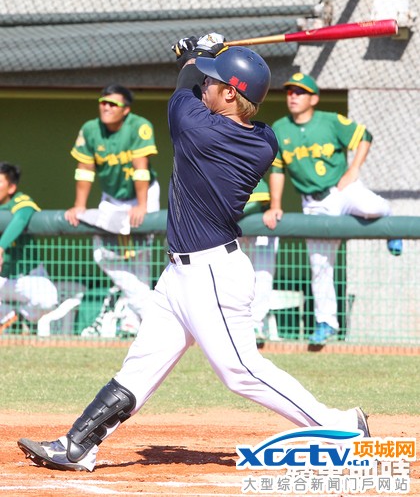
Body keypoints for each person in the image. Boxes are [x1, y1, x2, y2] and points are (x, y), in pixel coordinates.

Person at [17, 35, 370, 472]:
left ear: (231, 94)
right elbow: (199, 87)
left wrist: (195, 54)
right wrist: (207, 55)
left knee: (240, 371)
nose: (206, 86)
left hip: (212, 274)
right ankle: (77, 445)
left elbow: (184, 86)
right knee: (140, 366)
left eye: (215, 83)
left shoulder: (198, 128)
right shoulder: (264, 139)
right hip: (180, 274)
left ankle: (342, 427)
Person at [263, 72, 402, 346]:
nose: (293, 96)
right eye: (290, 91)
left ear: (313, 98)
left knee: (373, 206)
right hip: (313, 202)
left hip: (342, 189)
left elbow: (365, 136)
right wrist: (276, 205)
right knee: (320, 265)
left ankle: (392, 227)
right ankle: (326, 322)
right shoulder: (280, 128)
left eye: (300, 92)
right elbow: (277, 169)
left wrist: (354, 169)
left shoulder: (330, 120)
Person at [65, 84, 160, 337]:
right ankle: (151, 313)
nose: (106, 107)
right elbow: (84, 170)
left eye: (113, 104)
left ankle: (132, 319)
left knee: (140, 255)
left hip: (143, 193)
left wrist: (141, 205)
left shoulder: (139, 125)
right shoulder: (90, 129)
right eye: (103, 102)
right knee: (103, 253)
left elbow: (141, 168)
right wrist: (80, 204)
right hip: (111, 198)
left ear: (125, 109)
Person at [0, 162, 58, 333]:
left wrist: (0, 248)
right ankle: (7, 317)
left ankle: (21, 317)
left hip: (27, 278)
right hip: (2, 280)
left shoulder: (20, 200)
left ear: (11, 187)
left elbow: (22, 217)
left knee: (48, 299)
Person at [240, 178, 279, 346]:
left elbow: (254, 204)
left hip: (263, 230)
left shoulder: (251, 176)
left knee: (262, 278)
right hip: (235, 233)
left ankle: (256, 325)